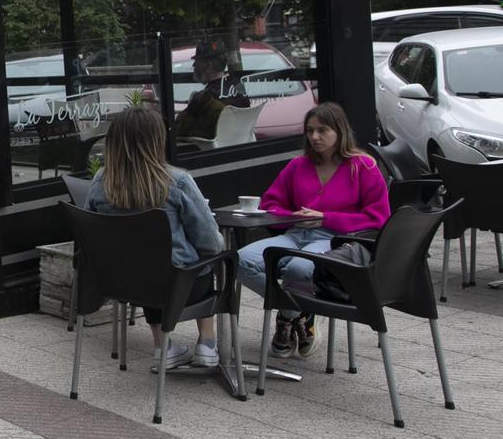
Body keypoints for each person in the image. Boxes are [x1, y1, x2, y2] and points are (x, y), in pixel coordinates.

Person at [236, 102, 390, 359]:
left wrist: (326, 218)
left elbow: (378, 218)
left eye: (322, 130)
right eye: (309, 130)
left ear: (339, 131)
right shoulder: (298, 165)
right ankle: (300, 312)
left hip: (335, 240)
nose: (314, 137)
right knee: (240, 260)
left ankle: (287, 317)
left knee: (300, 268)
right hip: (295, 234)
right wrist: (292, 217)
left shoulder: (363, 167)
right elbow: (271, 205)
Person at [85, 107, 226, 368]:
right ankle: (207, 342)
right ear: (156, 140)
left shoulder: (99, 182)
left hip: (125, 287)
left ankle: (164, 346)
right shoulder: (177, 181)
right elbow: (212, 244)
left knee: (144, 261)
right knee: (200, 260)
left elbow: (91, 236)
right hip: (181, 289)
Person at [176, 40, 250, 140]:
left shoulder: (204, 98)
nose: (194, 65)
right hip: (238, 145)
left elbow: (180, 129)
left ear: (208, 65)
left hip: (210, 150)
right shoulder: (239, 85)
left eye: (197, 61)